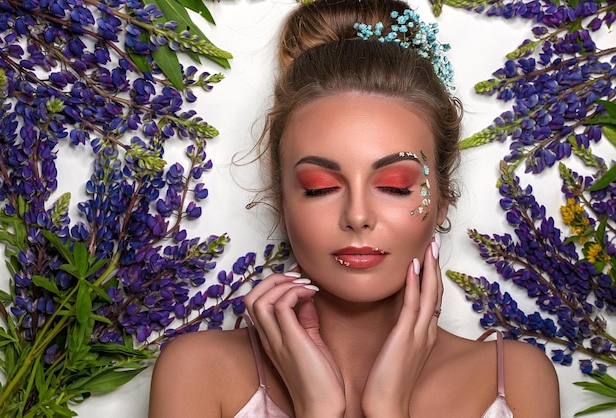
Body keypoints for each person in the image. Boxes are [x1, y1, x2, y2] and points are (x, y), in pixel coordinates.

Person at [148, 0, 560, 416]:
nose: (358, 215)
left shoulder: (515, 379)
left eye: (395, 187)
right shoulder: (199, 371)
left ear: (440, 203)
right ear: (281, 203)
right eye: (320, 188)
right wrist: (318, 408)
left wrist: (387, 406)